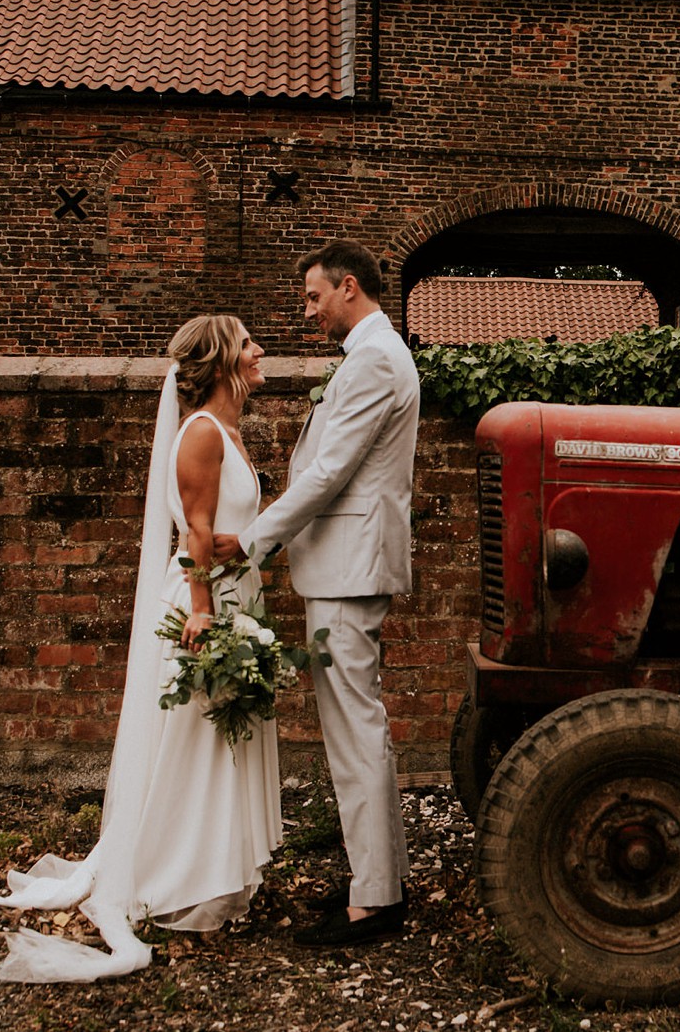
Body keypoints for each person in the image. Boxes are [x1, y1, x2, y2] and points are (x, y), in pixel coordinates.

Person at [0, 315, 280, 982]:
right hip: (206, 608)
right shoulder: (201, 434)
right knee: (194, 741)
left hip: (238, 600)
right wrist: (204, 616)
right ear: (222, 361)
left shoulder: (231, 430)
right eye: (248, 343)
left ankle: (214, 867)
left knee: (220, 739)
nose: (261, 351)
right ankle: (170, 875)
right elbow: (198, 532)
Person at [216, 239, 419, 946]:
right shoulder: (372, 355)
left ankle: (375, 903)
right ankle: (380, 880)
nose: (308, 310)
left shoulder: (375, 359)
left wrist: (249, 540)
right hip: (345, 562)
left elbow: (329, 471)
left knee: (354, 732)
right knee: (361, 729)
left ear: (349, 287)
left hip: (349, 565)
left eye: (314, 296)